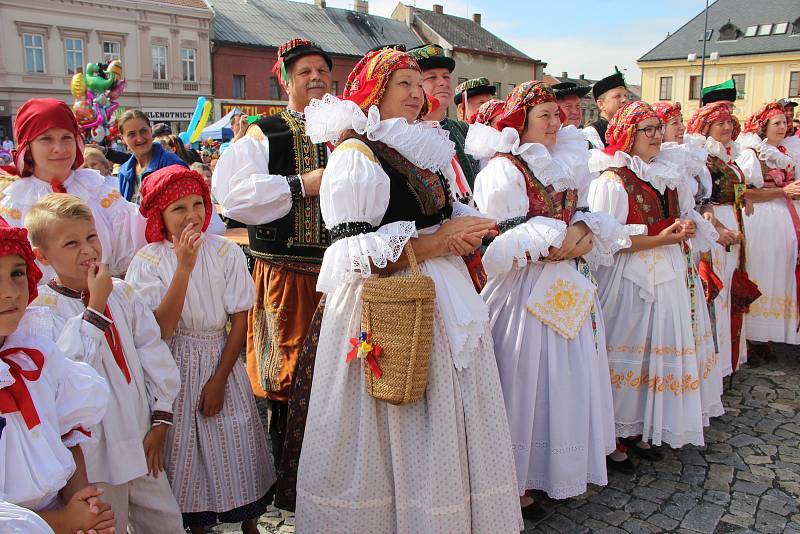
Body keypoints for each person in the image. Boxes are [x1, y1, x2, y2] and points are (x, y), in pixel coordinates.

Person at [296, 47, 522, 533]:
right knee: (396, 417)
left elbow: (439, 216)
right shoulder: (356, 154)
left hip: (441, 296)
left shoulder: (424, 147)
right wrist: (437, 241)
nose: (418, 94)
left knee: (446, 414)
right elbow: (349, 256)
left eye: (419, 84)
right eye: (404, 83)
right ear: (376, 90)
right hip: (388, 307)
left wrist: (465, 226)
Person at [472, 81, 629, 516]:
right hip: (525, 291)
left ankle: (558, 466)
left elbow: (575, 219)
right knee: (525, 379)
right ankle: (515, 477)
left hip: (567, 284)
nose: (556, 123)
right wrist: (570, 239)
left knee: (566, 376)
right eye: (545, 116)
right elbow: (504, 242)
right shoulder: (504, 170)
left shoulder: (564, 161)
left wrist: (580, 235)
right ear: (520, 123)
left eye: (557, 115)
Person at [212, 38, 331, 511]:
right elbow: (232, 197)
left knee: (337, 376)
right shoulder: (267, 133)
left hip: (337, 277)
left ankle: (332, 474)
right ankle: (290, 482)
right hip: (286, 274)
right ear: (285, 79)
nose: (317, 77)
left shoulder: (346, 133)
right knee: (287, 375)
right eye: (305, 71)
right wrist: (304, 184)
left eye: (322, 70)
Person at [126, 165, 275, 533]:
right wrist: (183, 268)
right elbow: (160, 329)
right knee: (184, 450)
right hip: (172, 364)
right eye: (178, 208)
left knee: (236, 443)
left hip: (219, 358)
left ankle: (250, 524)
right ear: (159, 214)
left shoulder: (224, 252)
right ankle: (198, 524)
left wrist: (220, 380)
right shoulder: (148, 261)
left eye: (198, 204)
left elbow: (240, 320)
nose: (192, 215)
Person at [28, 193, 184, 533]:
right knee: (106, 523)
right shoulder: (41, 311)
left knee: (165, 522)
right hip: (94, 456)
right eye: (71, 243)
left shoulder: (124, 292)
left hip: (141, 439)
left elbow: (152, 352)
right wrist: (95, 306)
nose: (87, 249)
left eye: (91, 237)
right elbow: (67, 374)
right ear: (43, 257)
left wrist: (161, 418)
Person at [588, 101, 706, 464]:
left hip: (666, 271)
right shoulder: (612, 180)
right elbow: (605, 240)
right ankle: (613, 434)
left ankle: (639, 426)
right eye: (648, 130)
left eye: (659, 128)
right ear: (628, 134)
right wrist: (660, 238)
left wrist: (685, 227)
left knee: (652, 349)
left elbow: (678, 217)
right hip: (627, 279)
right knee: (626, 347)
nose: (657, 136)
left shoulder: (666, 174)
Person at [0, 216, 112, 532]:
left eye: (17, 274)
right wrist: (63, 522)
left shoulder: (37, 355)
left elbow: (66, 429)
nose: (9, 292)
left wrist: (83, 502)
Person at [2, 98, 145, 280]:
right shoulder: (15, 205)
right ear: (27, 147)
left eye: (66, 138)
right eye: (46, 139)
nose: (59, 148)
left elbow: (132, 255)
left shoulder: (101, 190)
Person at [652, 101, 726, 424]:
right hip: (665, 253)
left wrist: (699, 218)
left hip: (681, 248)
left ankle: (688, 397)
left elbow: (691, 204)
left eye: (681, 122)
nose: (681, 128)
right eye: (673, 123)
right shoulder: (657, 167)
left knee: (691, 322)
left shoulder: (680, 162)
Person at [685, 102, 752, 372]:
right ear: (705, 127)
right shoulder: (702, 158)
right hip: (711, 228)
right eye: (719, 123)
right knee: (714, 291)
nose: (727, 127)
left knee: (727, 290)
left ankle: (728, 358)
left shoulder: (727, 156)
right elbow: (703, 201)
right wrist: (720, 228)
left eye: (728, 122)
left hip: (728, 221)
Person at [735, 103, 800, 357]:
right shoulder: (752, 153)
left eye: (785, 123)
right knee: (761, 270)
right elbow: (744, 192)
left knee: (779, 273)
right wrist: (783, 191)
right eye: (777, 123)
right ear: (763, 127)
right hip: (761, 218)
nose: (783, 127)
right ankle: (752, 335)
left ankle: (769, 334)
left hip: (784, 217)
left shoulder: (785, 152)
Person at [408, 44, 480, 200]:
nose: (443, 83)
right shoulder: (406, 136)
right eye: (432, 77)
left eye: (446, 76)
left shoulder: (463, 130)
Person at [117, 110, 188, 203]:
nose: (139, 138)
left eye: (143, 131)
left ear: (150, 131)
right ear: (122, 139)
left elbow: (186, 208)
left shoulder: (172, 164)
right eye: (132, 134)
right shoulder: (124, 172)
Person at [584, 68, 628, 149]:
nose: (624, 100)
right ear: (601, 104)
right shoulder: (592, 132)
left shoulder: (628, 130)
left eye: (625, 96)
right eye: (617, 96)